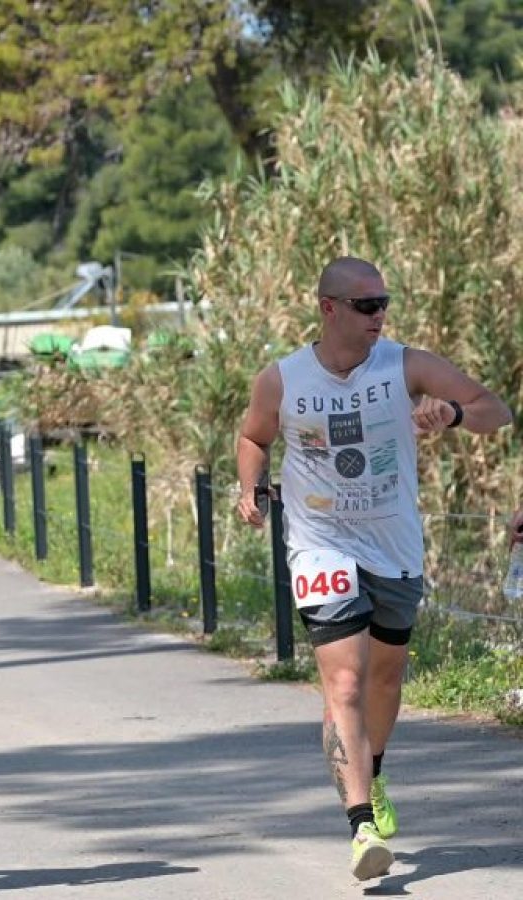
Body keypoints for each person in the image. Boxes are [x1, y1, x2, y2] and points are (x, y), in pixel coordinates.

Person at [235, 256, 512, 880]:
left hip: (393, 546)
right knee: (347, 685)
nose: (379, 315)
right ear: (329, 308)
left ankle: (373, 772)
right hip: (319, 542)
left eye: (384, 302)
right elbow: (254, 436)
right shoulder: (282, 380)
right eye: (366, 305)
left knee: (386, 680)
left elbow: (498, 410)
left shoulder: (406, 364)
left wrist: (456, 415)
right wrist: (249, 485)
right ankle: (362, 827)